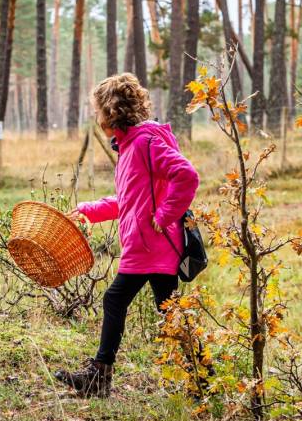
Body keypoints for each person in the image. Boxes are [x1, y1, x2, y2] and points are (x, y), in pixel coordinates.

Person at [55, 73, 199, 397]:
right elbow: (130, 200)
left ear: (111, 113)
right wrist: (89, 210)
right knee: (171, 313)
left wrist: (164, 216)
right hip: (148, 246)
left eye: (98, 112)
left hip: (153, 246)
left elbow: (187, 175)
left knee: (119, 299)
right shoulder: (130, 147)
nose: (97, 118)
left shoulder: (146, 144)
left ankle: (98, 379)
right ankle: (202, 380)